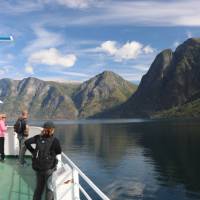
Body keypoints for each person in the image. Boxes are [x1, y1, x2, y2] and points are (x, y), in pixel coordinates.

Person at [25, 121, 61, 200]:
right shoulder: (55, 140)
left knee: (39, 188)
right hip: (49, 169)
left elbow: (26, 142)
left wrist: (33, 152)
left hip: (38, 168)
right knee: (49, 189)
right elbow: (59, 151)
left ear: (44, 129)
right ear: (52, 130)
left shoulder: (38, 137)